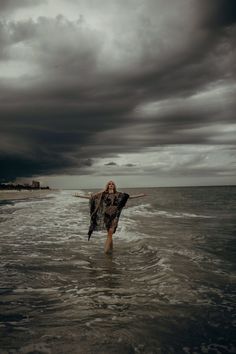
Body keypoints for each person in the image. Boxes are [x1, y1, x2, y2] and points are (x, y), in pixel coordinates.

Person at [74, 180, 146, 254]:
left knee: (110, 232)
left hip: (115, 216)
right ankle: (110, 250)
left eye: (112, 184)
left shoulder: (119, 194)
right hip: (107, 215)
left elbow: (129, 197)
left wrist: (141, 195)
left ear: (114, 186)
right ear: (107, 186)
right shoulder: (103, 194)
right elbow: (92, 198)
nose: (111, 185)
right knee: (109, 233)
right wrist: (79, 196)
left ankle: (106, 251)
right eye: (109, 184)